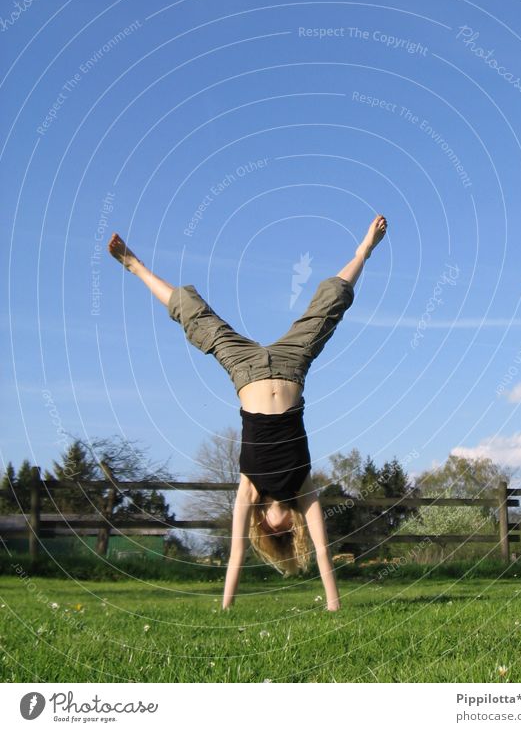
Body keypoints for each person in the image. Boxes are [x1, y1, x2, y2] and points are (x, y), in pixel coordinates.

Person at [108, 214, 387, 611]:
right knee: (329, 304)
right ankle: (364, 251)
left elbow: (235, 557)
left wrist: (226, 606)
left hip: (246, 369)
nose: (287, 527)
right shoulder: (302, 488)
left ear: (265, 528)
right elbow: (324, 554)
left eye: (280, 534)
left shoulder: (249, 489)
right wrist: (333, 604)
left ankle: (134, 265)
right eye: (290, 532)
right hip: (292, 363)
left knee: (195, 316)